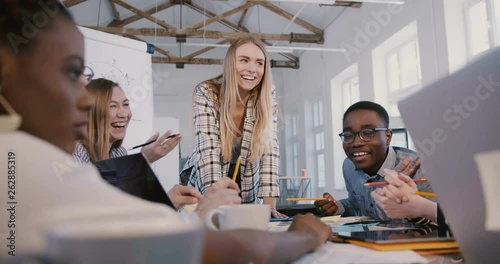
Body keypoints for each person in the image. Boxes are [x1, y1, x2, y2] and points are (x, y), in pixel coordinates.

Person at [0, 1, 331, 261]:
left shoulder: (32, 161)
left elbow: (267, 150)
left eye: (260, 62)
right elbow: (203, 248)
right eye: (73, 73)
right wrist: (302, 234)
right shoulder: (23, 161)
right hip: (213, 186)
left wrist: (171, 204)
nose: (87, 100)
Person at [181, 35, 286, 218]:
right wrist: (214, 206)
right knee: (211, 233)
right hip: (206, 185)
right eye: (244, 60)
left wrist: (269, 207)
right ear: (231, 63)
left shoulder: (267, 95)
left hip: (245, 182)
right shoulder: (207, 93)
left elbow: (270, 150)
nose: (252, 69)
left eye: (259, 63)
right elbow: (208, 152)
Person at [315, 101, 433, 222]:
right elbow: (356, 204)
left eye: (367, 133)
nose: (356, 143)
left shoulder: (421, 169)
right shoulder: (349, 166)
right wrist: (336, 207)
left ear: (388, 137)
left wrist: (410, 207)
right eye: (348, 135)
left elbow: (444, 223)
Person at [73, 78, 181, 164]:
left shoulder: (119, 153)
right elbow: (94, 191)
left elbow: (128, 190)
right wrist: (144, 160)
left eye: (125, 104)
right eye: (113, 106)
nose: (124, 114)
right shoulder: (74, 154)